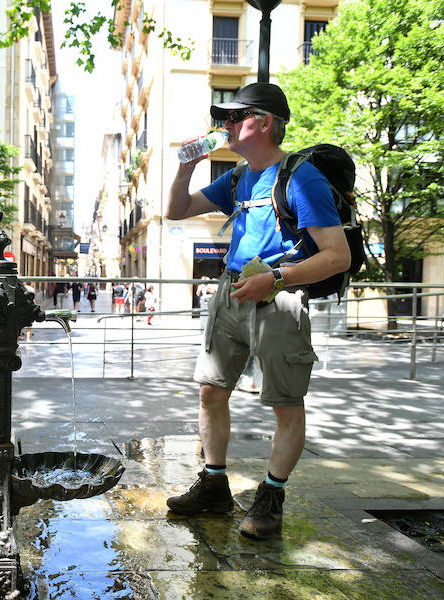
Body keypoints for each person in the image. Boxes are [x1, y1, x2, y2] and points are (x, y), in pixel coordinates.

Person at [163, 83, 350, 539]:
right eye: (224, 118)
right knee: (211, 391)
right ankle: (213, 485)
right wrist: (185, 169)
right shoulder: (237, 177)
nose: (224, 125)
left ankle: (271, 496)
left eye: (234, 116)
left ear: (264, 123)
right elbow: (177, 210)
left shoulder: (301, 178)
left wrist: (277, 279)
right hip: (231, 291)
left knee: (285, 404)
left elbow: (337, 256)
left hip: (278, 298)